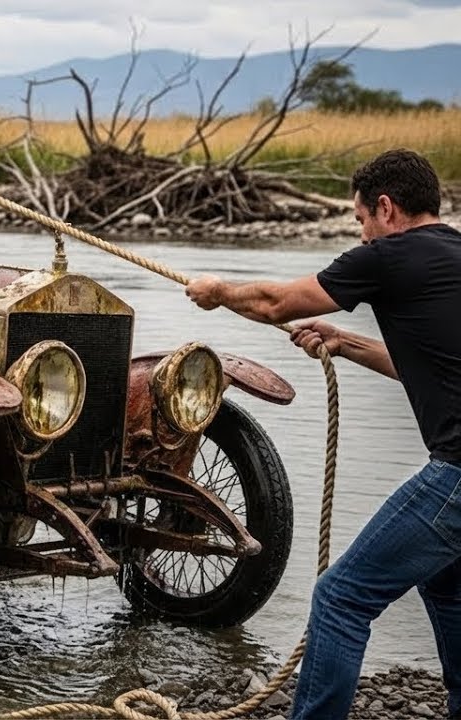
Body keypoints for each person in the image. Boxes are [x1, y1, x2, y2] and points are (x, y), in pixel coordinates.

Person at [184, 148, 461, 719]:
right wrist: (346, 341)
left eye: (360, 220)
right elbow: (428, 362)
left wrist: (216, 291)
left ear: (385, 208)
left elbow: (275, 302)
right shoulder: (452, 256)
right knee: (444, 583)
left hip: (457, 474)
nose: (361, 236)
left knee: (341, 597)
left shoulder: (388, 256)